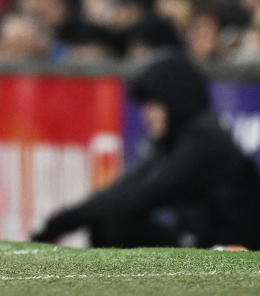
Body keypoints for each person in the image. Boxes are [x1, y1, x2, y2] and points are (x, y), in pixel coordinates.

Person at [33, 52, 260, 249]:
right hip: (205, 239)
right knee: (110, 223)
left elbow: (145, 194)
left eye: (154, 104)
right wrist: (63, 221)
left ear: (176, 100)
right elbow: (129, 185)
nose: (147, 114)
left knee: (116, 225)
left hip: (236, 248)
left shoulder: (204, 141)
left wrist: (62, 224)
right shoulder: (184, 137)